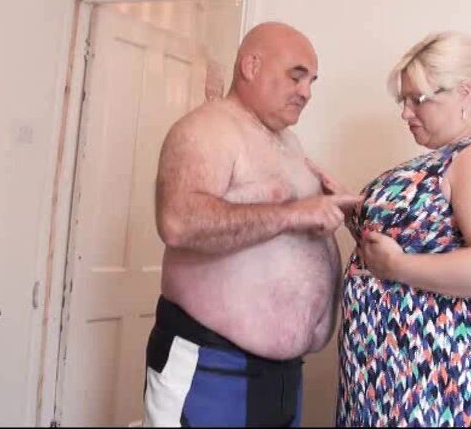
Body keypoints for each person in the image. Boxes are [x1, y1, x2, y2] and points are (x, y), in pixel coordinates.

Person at [145, 22, 359, 427]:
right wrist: (294, 214)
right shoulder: (207, 129)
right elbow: (178, 222)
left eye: (311, 81)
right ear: (251, 66)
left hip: (280, 376)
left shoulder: (286, 142)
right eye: (296, 76)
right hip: (211, 366)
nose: (306, 92)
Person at [327, 31, 471, 426]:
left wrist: (397, 267)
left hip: (434, 377)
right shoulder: (447, 158)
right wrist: (359, 215)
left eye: (416, 99)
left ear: (464, 94)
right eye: (402, 101)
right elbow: (422, 241)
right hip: (389, 373)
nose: (405, 113)